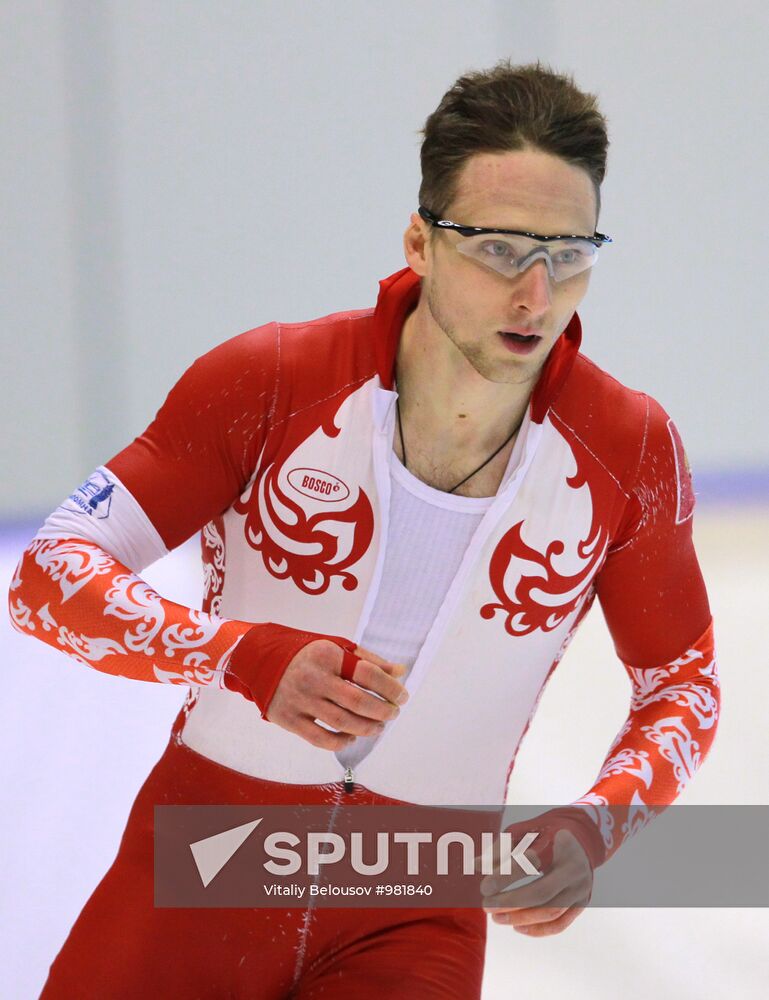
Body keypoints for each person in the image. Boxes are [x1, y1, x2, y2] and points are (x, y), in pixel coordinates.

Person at [9, 60, 719, 999]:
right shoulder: (266, 383)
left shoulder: (628, 451)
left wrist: (599, 821)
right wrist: (240, 656)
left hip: (417, 905)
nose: (536, 296)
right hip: (204, 867)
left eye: (570, 254)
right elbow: (49, 577)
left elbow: (682, 683)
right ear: (418, 243)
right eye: (501, 250)